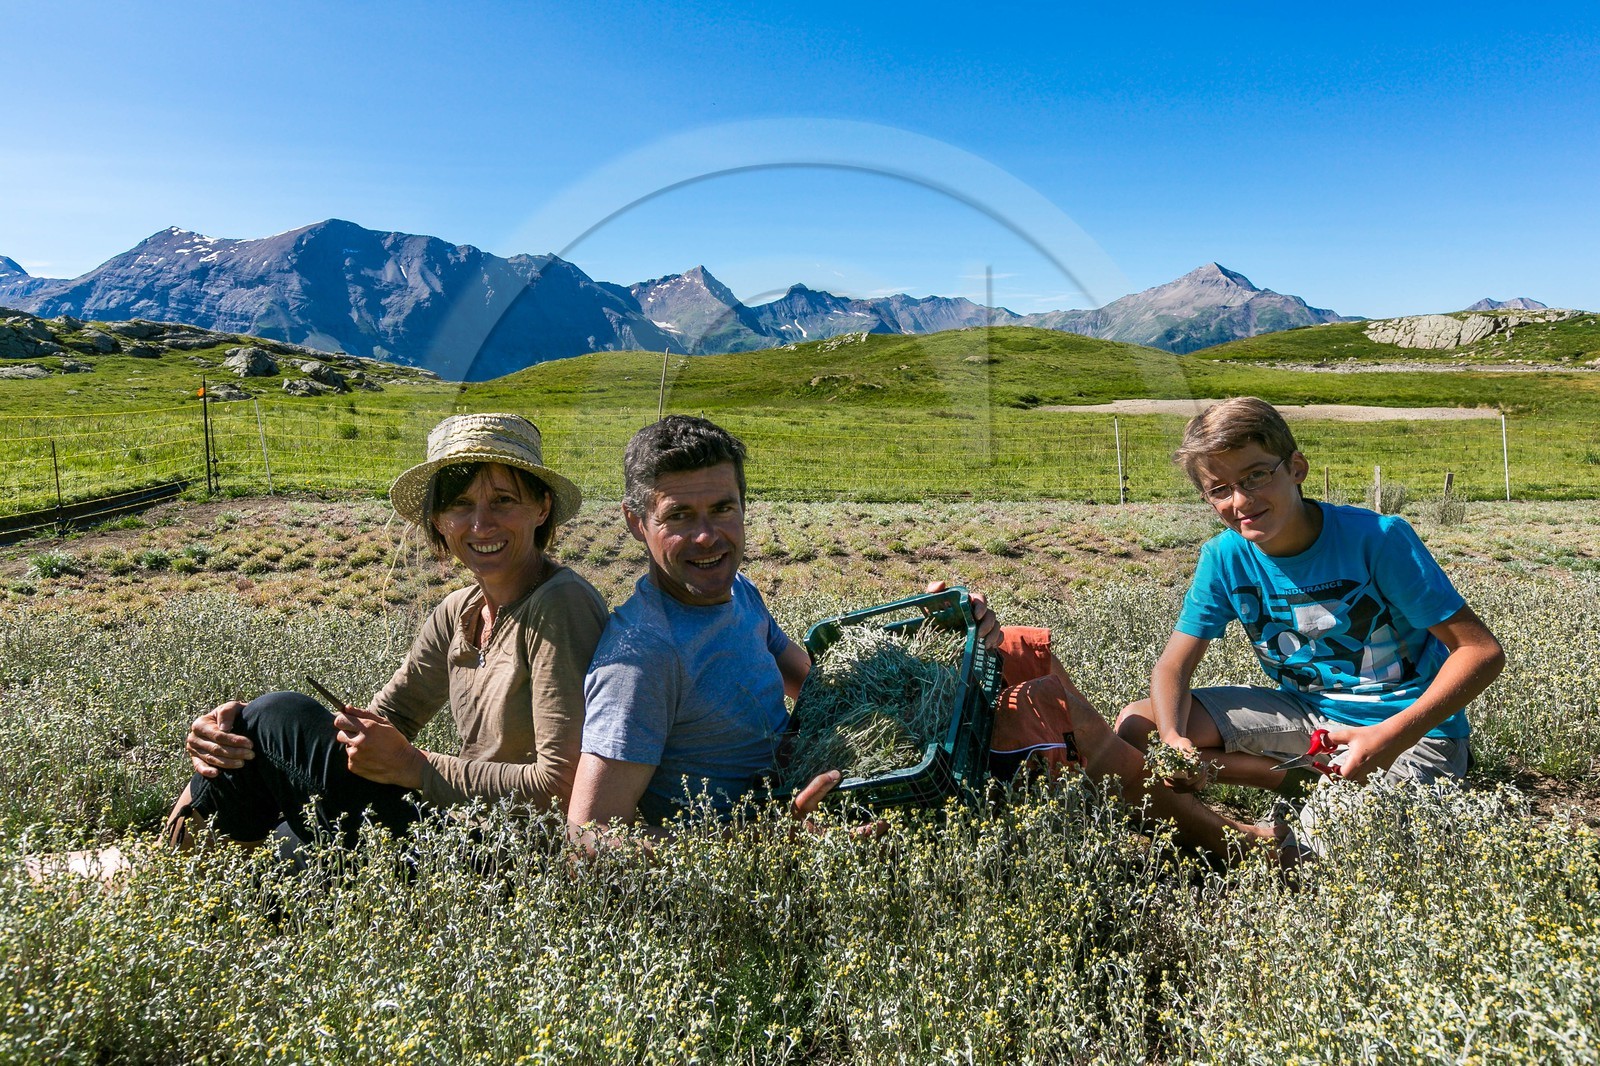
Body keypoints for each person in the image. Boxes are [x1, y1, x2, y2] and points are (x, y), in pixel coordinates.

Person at [566, 415, 1282, 859]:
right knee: (1045, 716)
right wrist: (765, 842)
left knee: (1020, 652)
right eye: (678, 517)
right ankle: (1228, 837)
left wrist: (935, 635)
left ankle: (1191, 812)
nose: (707, 536)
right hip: (789, 826)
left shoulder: (735, 593)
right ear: (636, 524)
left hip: (824, 771)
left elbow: (817, 677)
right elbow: (591, 839)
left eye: (723, 508)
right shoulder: (644, 654)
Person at [167, 412, 609, 850]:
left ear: (542, 507)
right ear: (437, 520)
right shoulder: (460, 610)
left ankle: (175, 862)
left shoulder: (560, 605)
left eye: (503, 501)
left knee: (276, 716)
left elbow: (563, 787)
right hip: (463, 823)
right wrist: (229, 736)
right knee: (255, 744)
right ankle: (191, 864)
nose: (480, 524)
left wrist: (415, 767)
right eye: (459, 505)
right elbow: (388, 719)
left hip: (511, 853)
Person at [1114, 397, 1505, 831]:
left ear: (1296, 468)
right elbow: (1173, 664)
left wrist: (1389, 738)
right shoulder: (1224, 557)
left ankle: (1271, 835)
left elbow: (1480, 652)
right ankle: (1285, 792)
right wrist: (1172, 740)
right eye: (1219, 489)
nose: (1241, 501)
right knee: (1140, 728)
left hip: (1410, 731)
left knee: (1326, 846)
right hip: (1307, 712)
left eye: (1256, 476)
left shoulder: (1377, 539)